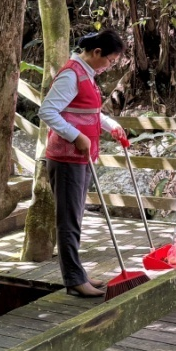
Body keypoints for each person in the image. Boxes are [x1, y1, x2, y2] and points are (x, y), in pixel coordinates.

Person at [39, 30, 129, 298]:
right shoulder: (71, 74)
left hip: (81, 157)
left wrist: (111, 125)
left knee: (75, 217)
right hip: (66, 158)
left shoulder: (87, 73)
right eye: (110, 61)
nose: (110, 66)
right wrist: (75, 136)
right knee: (68, 220)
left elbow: (87, 111)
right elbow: (47, 111)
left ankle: (78, 274)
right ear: (97, 52)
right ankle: (74, 280)